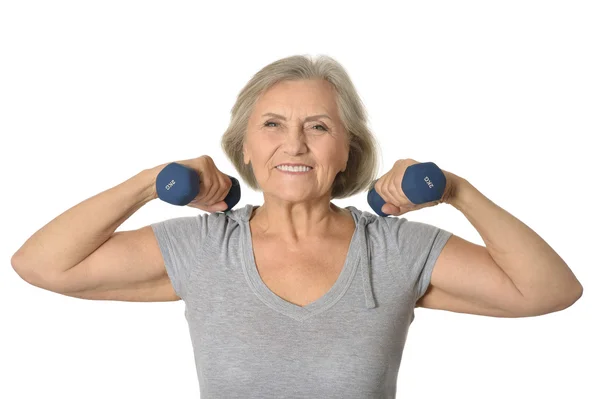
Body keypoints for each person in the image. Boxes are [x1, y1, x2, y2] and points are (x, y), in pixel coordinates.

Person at [11, 54, 583, 398]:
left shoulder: (391, 251)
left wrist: (457, 191)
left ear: (346, 150)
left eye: (317, 126)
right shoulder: (208, 247)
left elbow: (550, 291)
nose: (294, 144)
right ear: (245, 148)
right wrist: (149, 180)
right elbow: (40, 264)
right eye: (273, 124)